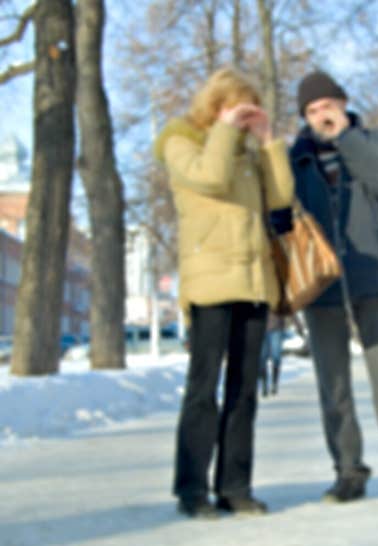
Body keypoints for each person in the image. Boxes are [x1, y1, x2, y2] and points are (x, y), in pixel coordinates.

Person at [270, 70, 378, 502]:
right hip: (320, 283)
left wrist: (348, 139)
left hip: (374, 279)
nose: (322, 115)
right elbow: (276, 212)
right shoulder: (293, 158)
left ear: (342, 104)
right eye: (313, 110)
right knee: (332, 384)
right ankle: (348, 471)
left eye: (328, 106)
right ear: (304, 116)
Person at [155, 67, 294, 519]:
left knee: (244, 391)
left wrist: (269, 139)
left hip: (254, 284)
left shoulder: (249, 154)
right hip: (211, 283)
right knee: (203, 389)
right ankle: (192, 490)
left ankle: (235, 486)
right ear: (215, 106)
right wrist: (226, 130)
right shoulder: (182, 142)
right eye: (236, 106)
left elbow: (280, 198)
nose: (243, 116)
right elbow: (211, 179)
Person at [260, 310, 286, 397]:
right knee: (262, 358)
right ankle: (264, 385)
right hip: (261, 328)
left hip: (276, 329)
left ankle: (274, 384)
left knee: (276, 356)